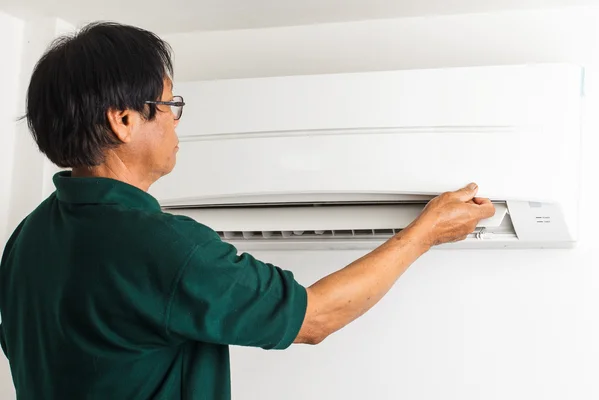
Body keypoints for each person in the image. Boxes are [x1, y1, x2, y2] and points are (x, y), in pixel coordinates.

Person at [0, 22, 495, 400]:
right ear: (124, 120)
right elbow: (314, 318)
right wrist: (425, 233)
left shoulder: (26, 239)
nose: (176, 122)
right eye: (171, 104)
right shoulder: (164, 247)